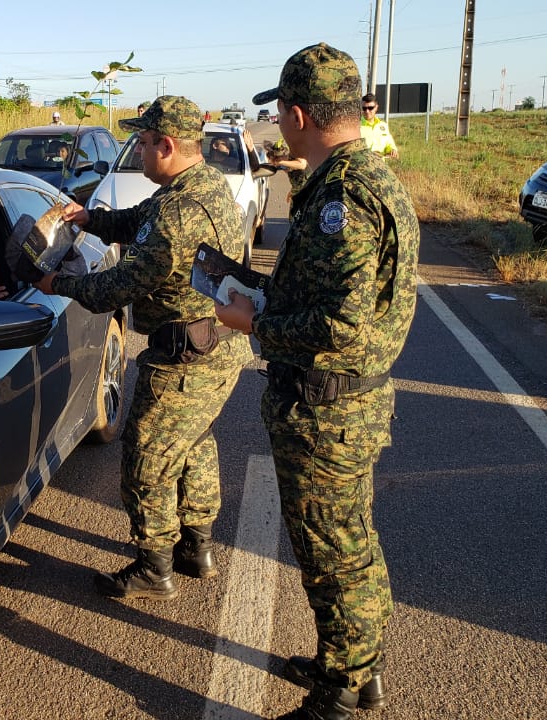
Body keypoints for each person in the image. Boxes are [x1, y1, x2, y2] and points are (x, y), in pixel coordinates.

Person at [217, 43, 420, 720]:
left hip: (329, 410)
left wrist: (252, 324)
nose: (278, 126)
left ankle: (338, 692)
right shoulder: (370, 177)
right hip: (344, 405)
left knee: (335, 555)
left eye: (279, 115)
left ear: (299, 113)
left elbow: (340, 326)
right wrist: (265, 294)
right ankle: (354, 664)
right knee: (346, 544)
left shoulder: (341, 198)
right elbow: (329, 296)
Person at [34, 96, 253, 600]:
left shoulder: (181, 213)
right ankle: (196, 547)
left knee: (147, 457)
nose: (138, 152)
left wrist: (56, 285)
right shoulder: (201, 186)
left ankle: (155, 565)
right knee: (194, 444)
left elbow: (117, 287)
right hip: (217, 348)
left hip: (186, 357)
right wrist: (90, 218)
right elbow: (140, 220)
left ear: (167, 145)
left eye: (143, 144)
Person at [263, 137, 309, 205]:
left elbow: (302, 165)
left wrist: (281, 162)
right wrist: (292, 191)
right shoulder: (285, 166)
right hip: (298, 193)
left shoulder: (294, 154)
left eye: (274, 162)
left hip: (309, 192)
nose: (275, 165)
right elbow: (296, 180)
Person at [359, 93, 399, 159]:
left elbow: (389, 143)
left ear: (376, 107)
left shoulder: (383, 126)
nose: (367, 111)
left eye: (370, 108)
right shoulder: (356, 126)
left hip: (380, 166)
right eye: (364, 108)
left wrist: (392, 150)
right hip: (363, 166)